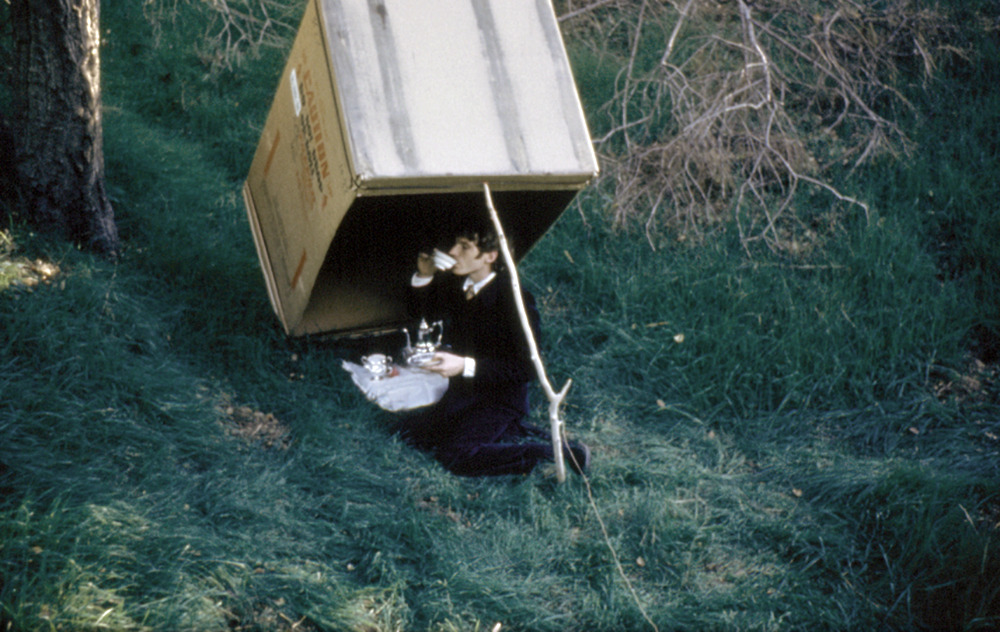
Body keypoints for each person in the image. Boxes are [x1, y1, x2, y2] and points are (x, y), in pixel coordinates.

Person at [395, 214, 590, 477]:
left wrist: (464, 365)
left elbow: (527, 368)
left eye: (464, 247)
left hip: (500, 398)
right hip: (465, 392)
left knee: (455, 455)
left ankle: (561, 454)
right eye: (455, 244)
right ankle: (513, 431)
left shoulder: (515, 300)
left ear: (490, 256)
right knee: (409, 433)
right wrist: (424, 275)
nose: (453, 252)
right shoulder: (458, 284)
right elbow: (424, 315)